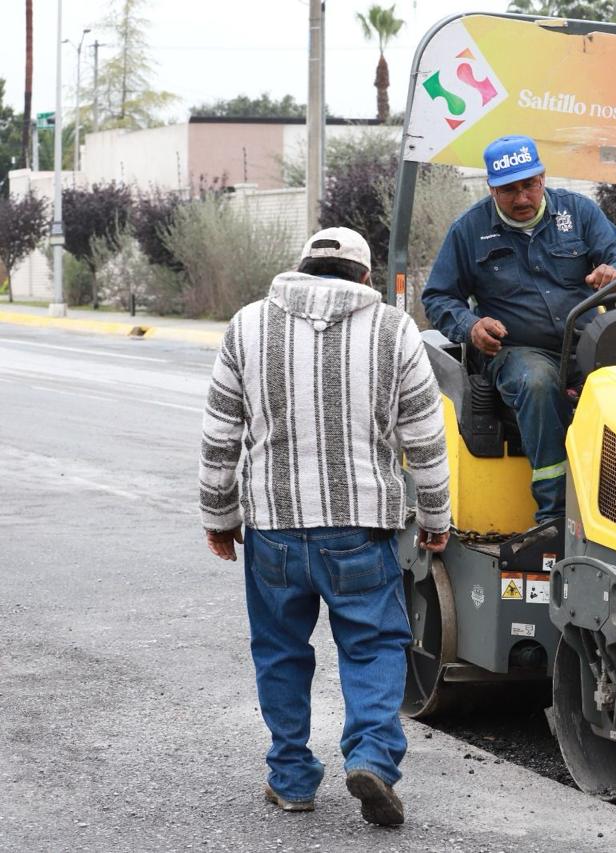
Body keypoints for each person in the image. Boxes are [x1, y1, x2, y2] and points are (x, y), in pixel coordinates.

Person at [199, 226, 450, 826]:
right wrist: (436, 517)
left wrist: (218, 514)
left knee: (281, 649)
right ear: (365, 277)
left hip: (273, 527)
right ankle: (371, 757)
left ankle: (290, 778)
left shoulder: (248, 325)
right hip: (360, 527)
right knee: (374, 645)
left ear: (302, 268)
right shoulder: (394, 330)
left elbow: (219, 435)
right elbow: (424, 434)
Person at [422, 135, 616, 523]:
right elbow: (438, 298)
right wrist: (471, 326)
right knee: (539, 383)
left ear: (542, 177)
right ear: (491, 188)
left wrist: (615, 272)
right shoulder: (468, 231)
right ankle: (555, 515)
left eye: (529, 186)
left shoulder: (580, 214)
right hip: (516, 353)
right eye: (508, 190)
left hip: (587, 343)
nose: (522, 198)